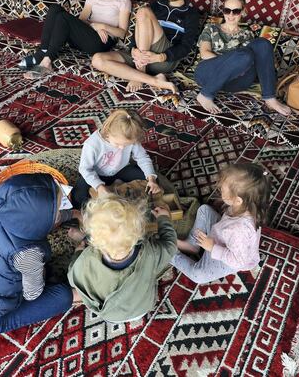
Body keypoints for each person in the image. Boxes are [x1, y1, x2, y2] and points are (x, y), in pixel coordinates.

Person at [0, 173, 80, 333]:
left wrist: (75, 214)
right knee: (64, 296)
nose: (62, 209)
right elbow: (32, 294)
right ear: (40, 222)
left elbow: (50, 220)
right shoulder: (29, 254)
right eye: (59, 207)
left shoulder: (5, 215)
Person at [67, 195, 177, 323]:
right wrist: (164, 219)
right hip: (142, 308)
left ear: (94, 241)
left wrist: (78, 251)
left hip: (113, 316)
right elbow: (170, 245)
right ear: (139, 233)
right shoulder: (150, 253)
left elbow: (72, 276)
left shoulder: (86, 261)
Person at [91, 0, 200, 94]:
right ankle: (154, 80)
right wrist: (133, 49)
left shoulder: (191, 14)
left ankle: (139, 72)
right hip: (143, 55)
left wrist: (161, 57)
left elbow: (186, 47)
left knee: (143, 11)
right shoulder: (157, 4)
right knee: (97, 60)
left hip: (163, 58)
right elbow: (139, 28)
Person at [20, 0, 131, 77]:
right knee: (55, 9)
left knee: (63, 17)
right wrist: (95, 26)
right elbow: (81, 20)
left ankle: (46, 62)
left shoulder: (123, 0)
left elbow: (122, 33)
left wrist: (103, 26)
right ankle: (42, 52)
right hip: (85, 36)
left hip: (101, 43)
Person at [193, 0, 291, 116]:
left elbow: (252, 61)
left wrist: (240, 64)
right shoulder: (211, 28)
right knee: (243, 56)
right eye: (227, 10)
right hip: (209, 73)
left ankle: (269, 98)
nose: (230, 15)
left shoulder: (247, 35)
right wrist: (233, 63)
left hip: (235, 82)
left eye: (236, 11)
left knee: (263, 43)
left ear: (243, 12)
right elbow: (204, 53)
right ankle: (205, 94)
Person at [170, 163, 268, 284]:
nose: (219, 189)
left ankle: (170, 254)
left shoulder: (240, 230)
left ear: (238, 200)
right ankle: (192, 244)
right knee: (204, 209)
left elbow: (238, 261)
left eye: (222, 189)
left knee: (198, 276)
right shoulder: (244, 206)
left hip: (227, 258)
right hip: (223, 234)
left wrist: (212, 247)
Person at [73, 109, 162, 207]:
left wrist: (151, 179)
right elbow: (85, 169)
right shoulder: (92, 145)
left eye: (126, 145)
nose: (122, 148)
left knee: (153, 181)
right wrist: (99, 186)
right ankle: (113, 186)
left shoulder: (131, 137)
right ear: (107, 132)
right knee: (77, 196)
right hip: (97, 174)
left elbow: (142, 158)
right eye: (117, 144)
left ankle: (117, 184)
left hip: (120, 170)